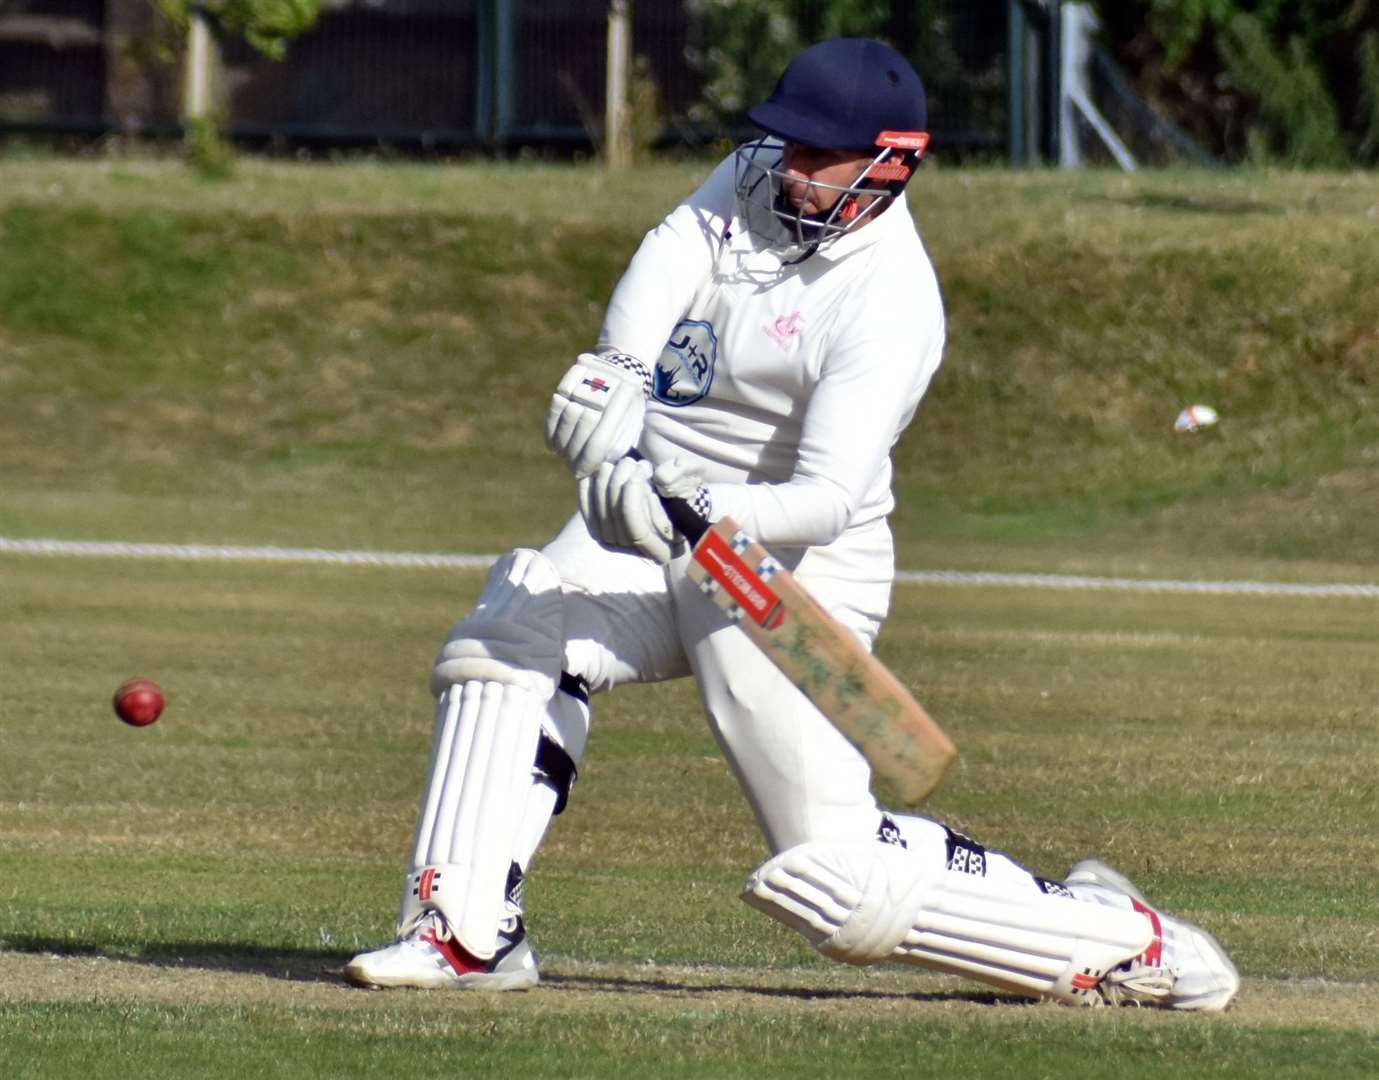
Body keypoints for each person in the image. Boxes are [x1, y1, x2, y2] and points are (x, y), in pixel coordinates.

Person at [344, 37, 1239, 1011]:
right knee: (510, 632)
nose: (792, 172)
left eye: (821, 157)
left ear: (890, 163)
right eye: (785, 145)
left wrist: (688, 506)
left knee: (831, 881)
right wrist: (616, 372)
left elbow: (827, 497)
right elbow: (676, 245)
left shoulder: (889, 303)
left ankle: (1118, 939)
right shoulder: (757, 177)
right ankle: (465, 937)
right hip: (667, 524)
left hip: (786, 571)